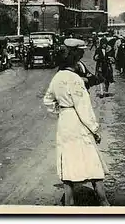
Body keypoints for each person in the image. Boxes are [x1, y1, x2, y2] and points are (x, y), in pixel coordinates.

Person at [43, 38, 109, 206]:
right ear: (75, 59)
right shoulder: (76, 79)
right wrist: (95, 130)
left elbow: (48, 101)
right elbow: (84, 108)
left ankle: (69, 204)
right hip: (78, 121)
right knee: (91, 161)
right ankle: (104, 203)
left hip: (65, 122)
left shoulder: (57, 77)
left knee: (68, 160)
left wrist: (61, 110)